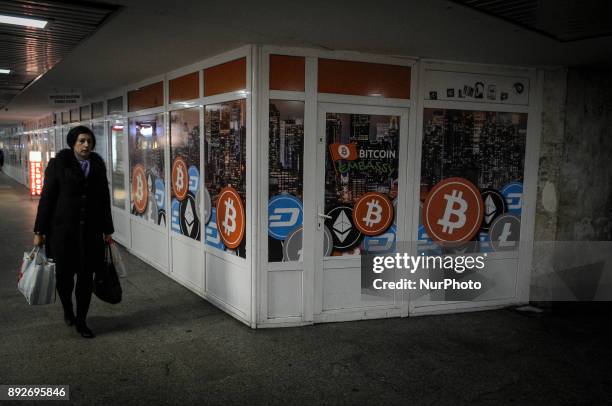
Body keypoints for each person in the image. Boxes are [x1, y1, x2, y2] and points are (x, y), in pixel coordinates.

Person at [33, 126, 113, 338]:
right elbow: (47, 199)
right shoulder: (58, 165)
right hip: (63, 233)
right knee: (64, 279)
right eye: (82, 141)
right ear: (73, 143)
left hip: (90, 234)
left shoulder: (97, 165)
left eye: (89, 141)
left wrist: (108, 230)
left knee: (86, 279)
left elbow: (104, 199)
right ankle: (68, 309)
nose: (86, 145)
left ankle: (81, 320)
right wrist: (39, 230)